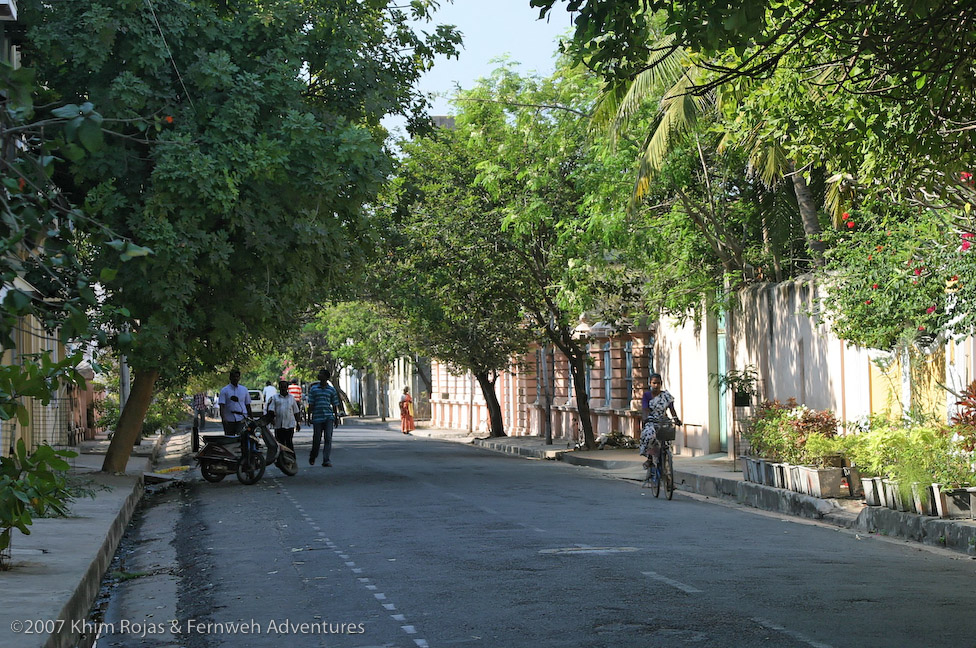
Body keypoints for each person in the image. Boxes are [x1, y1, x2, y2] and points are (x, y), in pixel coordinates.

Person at [639, 373, 681, 469]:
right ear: (650, 383)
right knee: (650, 434)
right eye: (654, 383)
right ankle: (650, 458)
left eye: (658, 383)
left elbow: (672, 409)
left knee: (668, 437)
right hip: (651, 420)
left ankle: (668, 476)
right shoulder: (647, 395)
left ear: (661, 383)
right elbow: (645, 409)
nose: (656, 386)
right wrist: (646, 418)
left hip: (663, 420)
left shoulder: (666, 396)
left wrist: (676, 419)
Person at [307, 369, 341, 467]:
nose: (319, 375)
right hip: (317, 417)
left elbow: (335, 404)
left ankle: (326, 460)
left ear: (326, 377)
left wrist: (336, 417)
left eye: (321, 374)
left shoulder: (331, 390)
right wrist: (309, 417)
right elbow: (311, 404)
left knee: (328, 438)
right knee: (317, 439)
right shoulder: (314, 389)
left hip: (328, 417)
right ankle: (313, 455)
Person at [267, 380, 300, 451]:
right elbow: (271, 410)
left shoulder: (291, 398)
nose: (283, 388)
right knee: (280, 444)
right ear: (279, 387)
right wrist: (271, 420)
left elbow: (296, 411)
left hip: (289, 425)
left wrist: (298, 423)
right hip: (279, 425)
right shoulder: (275, 398)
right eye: (281, 387)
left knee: (289, 443)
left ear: (287, 388)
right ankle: (280, 461)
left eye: (285, 387)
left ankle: (291, 460)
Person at [217, 368, 251, 437]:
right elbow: (222, 406)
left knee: (243, 438)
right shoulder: (224, 390)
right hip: (229, 419)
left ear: (239, 378)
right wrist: (223, 418)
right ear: (230, 378)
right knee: (229, 438)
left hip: (241, 418)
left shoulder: (244, 390)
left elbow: (248, 404)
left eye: (237, 377)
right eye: (234, 377)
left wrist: (250, 418)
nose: (235, 378)